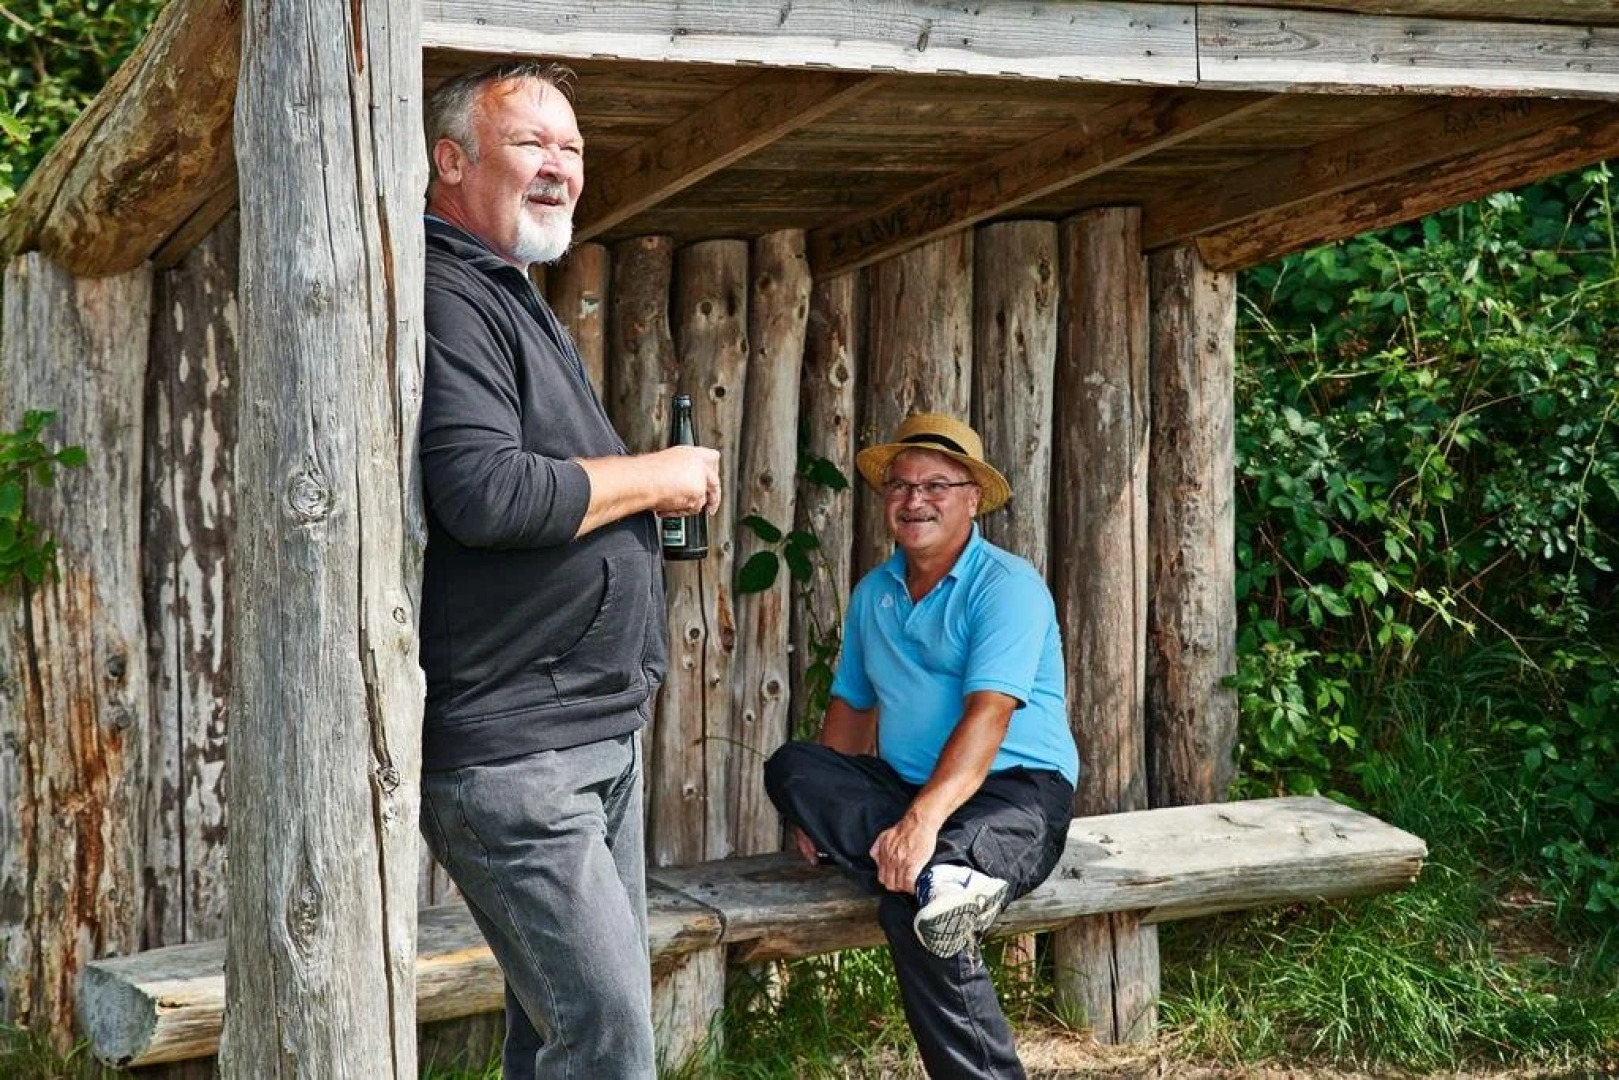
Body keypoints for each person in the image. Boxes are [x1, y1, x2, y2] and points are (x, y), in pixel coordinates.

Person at [414, 62, 720, 1080]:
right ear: (449, 160)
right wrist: (657, 477)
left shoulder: (501, 287)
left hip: (589, 734)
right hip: (517, 755)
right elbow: (485, 494)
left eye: (572, 150)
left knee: (559, 1035)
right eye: (532, 144)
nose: (560, 167)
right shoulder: (446, 288)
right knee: (607, 1041)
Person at [764, 412, 1079, 1079]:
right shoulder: (872, 593)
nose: (914, 500)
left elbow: (989, 715)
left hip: (1014, 788)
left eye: (936, 484)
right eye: (900, 486)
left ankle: (944, 874)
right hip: (909, 790)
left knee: (911, 901)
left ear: (972, 498)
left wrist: (920, 823)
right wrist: (817, 814)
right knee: (793, 767)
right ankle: (945, 876)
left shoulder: (1006, 587)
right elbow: (851, 709)